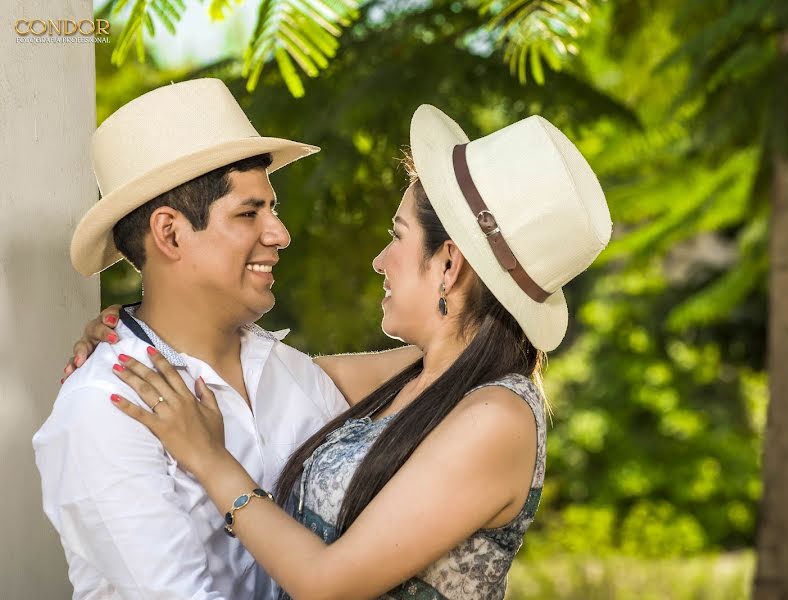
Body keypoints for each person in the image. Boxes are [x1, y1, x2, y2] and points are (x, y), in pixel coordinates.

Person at [64, 104, 612, 598]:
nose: (380, 260)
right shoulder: (425, 378)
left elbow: (327, 584)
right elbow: (256, 380)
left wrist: (211, 461)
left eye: (396, 236)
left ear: (448, 265)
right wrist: (132, 329)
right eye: (250, 213)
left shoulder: (496, 415)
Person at [34, 78, 417, 599]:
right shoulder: (103, 408)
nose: (280, 234)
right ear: (169, 233)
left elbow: (451, 363)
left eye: (272, 209)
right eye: (248, 213)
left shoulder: (290, 374)